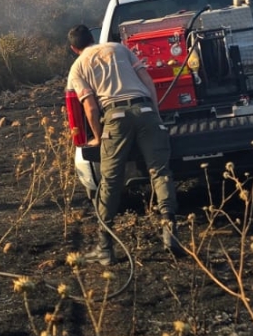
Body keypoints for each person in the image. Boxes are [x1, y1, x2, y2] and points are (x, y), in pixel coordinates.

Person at [67, 24, 183, 265]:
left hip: (115, 117)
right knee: (160, 171)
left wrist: (99, 137)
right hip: (146, 110)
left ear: (73, 48)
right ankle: (169, 232)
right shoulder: (119, 48)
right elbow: (148, 81)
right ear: (93, 38)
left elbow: (90, 107)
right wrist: (155, 115)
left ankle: (105, 247)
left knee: (110, 181)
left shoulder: (78, 67)